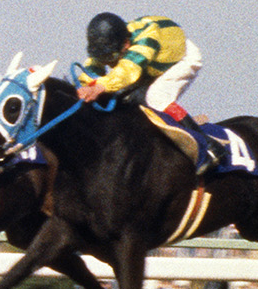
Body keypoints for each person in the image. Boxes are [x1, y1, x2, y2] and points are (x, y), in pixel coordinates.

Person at [74, 12, 223, 173]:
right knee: (127, 99)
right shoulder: (111, 43)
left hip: (181, 59)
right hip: (151, 65)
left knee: (156, 98)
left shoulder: (146, 39)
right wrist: (83, 88)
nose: (109, 62)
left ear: (126, 43)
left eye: (112, 56)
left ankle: (208, 147)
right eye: (103, 57)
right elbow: (91, 69)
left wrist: (99, 87)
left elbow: (127, 71)